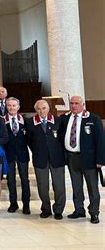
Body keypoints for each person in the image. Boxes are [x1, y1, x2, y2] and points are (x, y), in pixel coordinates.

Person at [59, 96, 105, 224]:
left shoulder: (93, 118)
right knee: (76, 186)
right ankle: (79, 210)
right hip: (72, 157)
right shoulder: (65, 118)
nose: (74, 106)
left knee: (92, 187)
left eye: (77, 103)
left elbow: (101, 141)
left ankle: (94, 212)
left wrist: (101, 160)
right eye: (72, 103)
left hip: (89, 159)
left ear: (83, 104)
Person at [25, 99, 65, 220]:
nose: (42, 111)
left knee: (59, 186)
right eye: (39, 109)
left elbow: (62, 139)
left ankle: (58, 209)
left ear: (48, 109)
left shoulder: (58, 121)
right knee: (42, 186)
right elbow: (29, 141)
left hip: (57, 158)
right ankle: (46, 209)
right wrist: (37, 151)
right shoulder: (30, 122)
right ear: (36, 110)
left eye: (44, 108)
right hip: (40, 158)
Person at [4, 97, 30, 215]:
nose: (12, 108)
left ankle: (26, 204)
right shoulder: (2, 121)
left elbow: (30, 138)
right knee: (11, 180)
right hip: (8, 154)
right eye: (9, 105)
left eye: (14, 105)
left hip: (22, 154)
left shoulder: (25, 121)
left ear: (18, 107)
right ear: (6, 107)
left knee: (25, 179)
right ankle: (13, 203)